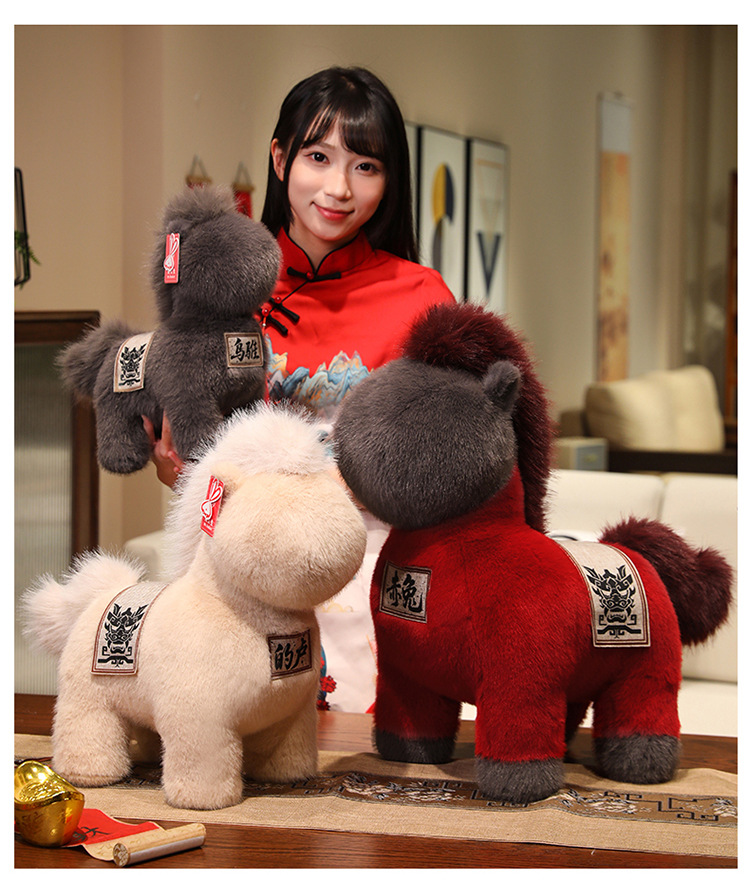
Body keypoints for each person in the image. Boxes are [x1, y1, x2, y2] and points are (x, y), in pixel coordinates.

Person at [147, 66, 456, 711]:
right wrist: (177, 465)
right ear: (280, 157)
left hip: (369, 571)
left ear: (390, 180)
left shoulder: (422, 298)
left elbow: (443, 462)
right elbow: (193, 460)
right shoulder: (220, 293)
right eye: (319, 158)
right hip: (239, 565)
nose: (339, 188)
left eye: (365, 167)